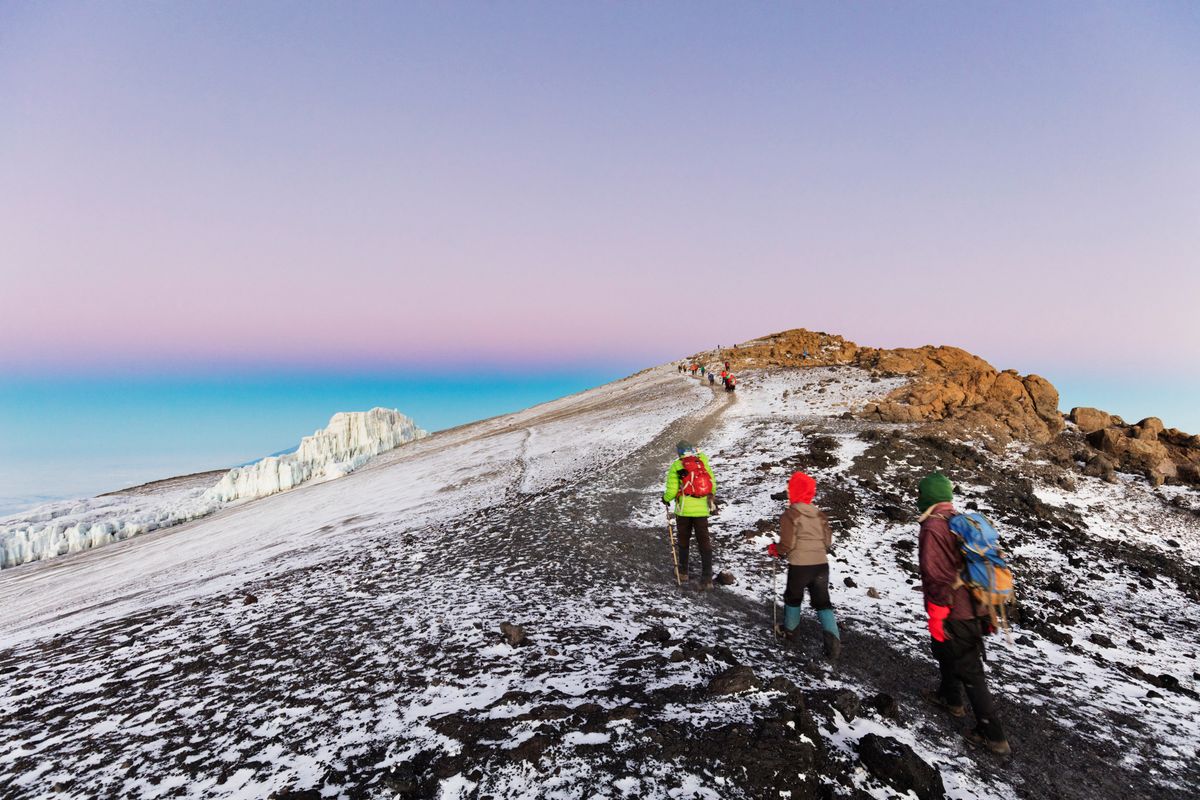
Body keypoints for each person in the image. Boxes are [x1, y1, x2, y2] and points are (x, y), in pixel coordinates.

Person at [917, 472, 1011, 755]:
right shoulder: (960, 522)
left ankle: (993, 735)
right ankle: (950, 697)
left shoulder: (933, 527)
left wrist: (937, 613)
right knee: (944, 649)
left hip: (955, 611)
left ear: (927, 498)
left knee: (970, 670)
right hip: (978, 605)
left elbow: (934, 575)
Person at [767, 472, 840, 659]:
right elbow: (828, 541)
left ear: (794, 491)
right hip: (821, 565)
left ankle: (790, 632)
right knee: (823, 603)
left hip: (800, 565)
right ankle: (833, 644)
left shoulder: (791, 514)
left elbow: (787, 544)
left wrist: (776, 549)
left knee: (793, 597)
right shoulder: (819, 514)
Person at [662, 440, 717, 590]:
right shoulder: (702, 463)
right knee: (704, 541)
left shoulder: (677, 465)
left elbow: (672, 491)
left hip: (684, 509)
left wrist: (665, 499)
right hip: (701, 510)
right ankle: (707, 578)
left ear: (679, 452)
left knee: (684, 539)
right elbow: (713, 484)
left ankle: (683, 572)